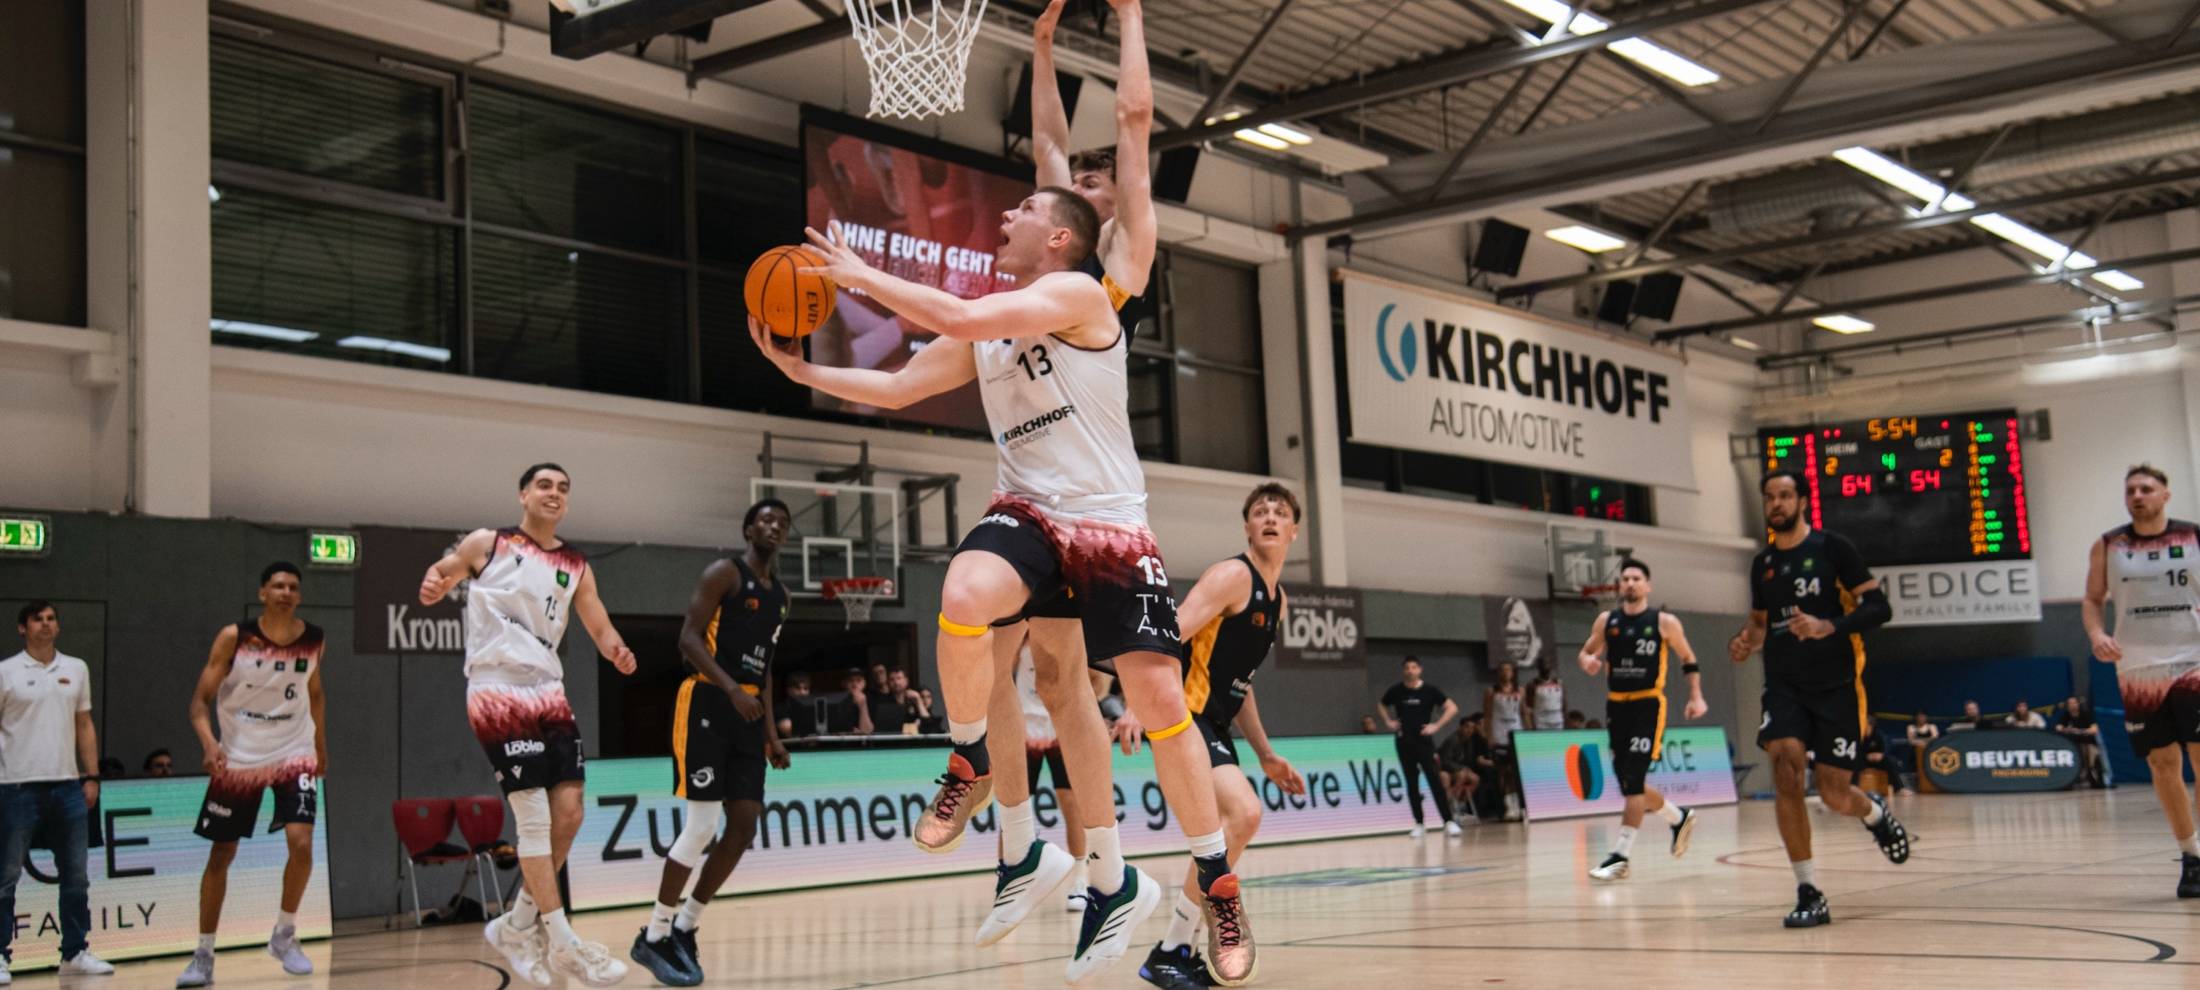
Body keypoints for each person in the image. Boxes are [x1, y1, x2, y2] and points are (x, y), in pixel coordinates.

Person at [753, 181, 1231, 984]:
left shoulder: (1076, 293)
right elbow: (899, 386)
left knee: (1155, 703)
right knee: (966, 596)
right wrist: (798, 367)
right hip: (1031, 518)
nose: (1005, 216)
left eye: (1023, 211)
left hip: (1108, 525)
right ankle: (971, 762)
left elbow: (967, 318)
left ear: (1058, 240)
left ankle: (1214, 878)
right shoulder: (989, 325)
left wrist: (859, 273)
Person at [418, 463, 639, 986]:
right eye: (545, 484)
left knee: (570, 811)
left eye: (563, 488)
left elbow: (597, 621)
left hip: (548, 691)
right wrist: (436, 577)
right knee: (534, 817)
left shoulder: (576, 564)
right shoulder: (488, 542)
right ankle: (562, 942)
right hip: (497, 688)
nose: (555, 493)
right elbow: (446, 567)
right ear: (523, 494)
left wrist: (616, 650)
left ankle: (517, 923)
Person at [1134, 483, 1307, 990]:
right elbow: (1169, 633)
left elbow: (1240, 685)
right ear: (1248, 527)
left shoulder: (1278, 599)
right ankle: (1173, 947)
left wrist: (1268, 755)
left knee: (1229, 829)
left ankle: (1173, 952)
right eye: (1260, 511)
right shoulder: (1233, 576)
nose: (1270, 516)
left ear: (1293, 531)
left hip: (1215, 723)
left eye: (1280, 512)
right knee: (1244, 814)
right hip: (1185, 717)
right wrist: (1135, 704)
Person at [1728, 471, 1909, 928]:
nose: (1776, 504)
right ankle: (1808, 889)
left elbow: (1878, 608)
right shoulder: (1763, 564)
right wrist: (1746, 641)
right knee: (1786, 768)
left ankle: (1872, 813)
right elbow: (1758, 622)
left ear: (1802, 501)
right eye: (1769, 497)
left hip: (1838, 686)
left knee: (1833, 793)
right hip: (1784, 685)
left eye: (1785, 495)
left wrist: (1832, 625)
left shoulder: (1834, 549)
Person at [630, 499, 793, 986]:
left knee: (743, 826)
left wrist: (770, 736)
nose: (774, 527)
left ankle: (685, 926)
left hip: (748, 714)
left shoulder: (781, 595)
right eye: (766, 519)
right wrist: (729, 690)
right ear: (748, 528)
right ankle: (654, 936)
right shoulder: (725, 573)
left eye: (783, 523)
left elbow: (764, 670)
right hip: (706, 702)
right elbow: (688, 641)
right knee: (702, 825)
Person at [176, 562, 329, 986]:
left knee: (301, 843)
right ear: (263, 592)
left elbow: (314, 693)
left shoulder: (315, 639)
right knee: (221, 854)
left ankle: (284, 933)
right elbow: (198, 703)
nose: (286, 592)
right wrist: (209, 744)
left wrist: (320, 746)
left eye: (293, 587)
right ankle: (203, 954)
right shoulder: (234, 638)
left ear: (298, 596)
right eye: (278, 585)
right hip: (240, 756)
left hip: (293, 750)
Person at [2083, 463, 2200, 897]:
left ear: (2165, 495)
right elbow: (2093, 600)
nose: (2137, 495)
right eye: (2130, 489)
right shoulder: (2109, 544)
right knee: (2161, 764)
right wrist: (2097, 634)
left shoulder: (2193, 536)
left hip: (2194, 658)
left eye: (2146, 488)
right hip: (2138, 667)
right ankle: (2191, 855)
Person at [0, 601, 114, 980]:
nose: (46, 625)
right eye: (38, 620)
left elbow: (84, 724)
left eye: (51, 619)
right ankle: (0, 954)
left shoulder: (76, 668)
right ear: (22, 628)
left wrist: (91, 775)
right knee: (6, 874)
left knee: (76, 875)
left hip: (67, 785)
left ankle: (75, 951)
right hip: (16, 786)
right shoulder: (6, 672)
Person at [1576, 558, 1706, 881]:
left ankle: (1620, 855)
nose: (1630, 583)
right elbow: (1585, 652)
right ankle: (1678, 816)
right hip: (1616, 706)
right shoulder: (1607, 621)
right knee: (1628, 783)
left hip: (1648, 704)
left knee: (1633, 779)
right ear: (1619, 586)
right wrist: (1587, 661)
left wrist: (1696, 696)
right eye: (1625, 578)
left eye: (1636, 578)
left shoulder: (1664, 622)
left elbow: (1688, 659)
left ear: (1647, 586)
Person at [1382, 658, 1462, 838]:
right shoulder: (1396, 691)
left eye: (1413, 667)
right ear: (1403, 671)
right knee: (1412, 783)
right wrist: (1388, 721)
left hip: (1424, 743)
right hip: (1403, 743)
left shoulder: (1430, 691)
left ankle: (1448, 821)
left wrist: (1436, 725)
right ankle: (1419, 823)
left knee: (1435, 780)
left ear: (1420, 670)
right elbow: (1381, 704)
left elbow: (1452, 707)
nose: (1410, 670)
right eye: (1407, 668)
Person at [1484, 660, 1526, 820]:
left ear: (1513, 673)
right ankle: (1509, 804)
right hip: (1499, 734)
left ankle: (1519, 804)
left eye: (1508, 670)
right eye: (1502, 670)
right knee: (1504, 771)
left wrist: (1528, 733)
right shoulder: (1490, 691)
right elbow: (1487, 715)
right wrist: (1488, 736)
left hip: (1517, 733)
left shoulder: (1520, 691)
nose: (1505, 673)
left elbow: (1524, 714)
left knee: (1516, 772)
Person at [2054, 696, 2108, 788]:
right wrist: (2069, 730)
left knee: (2093, 760)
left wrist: (2081, 731)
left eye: (2074, 703)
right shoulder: (2066, 715)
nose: (2072, 705)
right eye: (2070, 703)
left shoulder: (2085, 714)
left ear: (2078, 704)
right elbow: (2058, 728)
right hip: (2073, 745)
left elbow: (2094, 729)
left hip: (2088, 743)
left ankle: (2097, 780)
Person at [825, 669, 875, 736]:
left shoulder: (871, 701)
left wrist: (862, 705)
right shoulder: (836, 703)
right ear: (844, 683)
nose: (855, 684)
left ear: (864, 683)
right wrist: (849, 732)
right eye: (851, 680)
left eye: (858, 680)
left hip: (863, 744)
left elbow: (867, 731)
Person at [1904, 712, 1939, 794]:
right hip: (1916, 752)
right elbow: (1911, 741)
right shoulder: (1911, 727)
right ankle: (1916, 785)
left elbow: (1935, 738)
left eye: (1923, 717)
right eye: (1919, 717)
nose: (1921, 719)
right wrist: (1923, 742)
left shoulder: (1931, 726)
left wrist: (1921, 741)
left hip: (1930, 751)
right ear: (1916, 718)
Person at [777, 672, 819, 739]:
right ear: (788, 690)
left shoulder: (813, 707)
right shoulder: (781, 708)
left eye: (806, 688)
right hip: (790, 748)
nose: (802, 692)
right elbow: (789, 730)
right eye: (798, 688)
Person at [1529, 664, 1566, 731]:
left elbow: (1564, 702)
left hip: (1557, 720)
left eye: (1547, 665)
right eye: (1543, 665)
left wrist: (1564, 717)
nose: (1545, 668)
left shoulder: (1558, 682)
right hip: (1541, 721)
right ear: (1539, 668)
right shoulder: (1533, 684)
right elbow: (1529, 704)